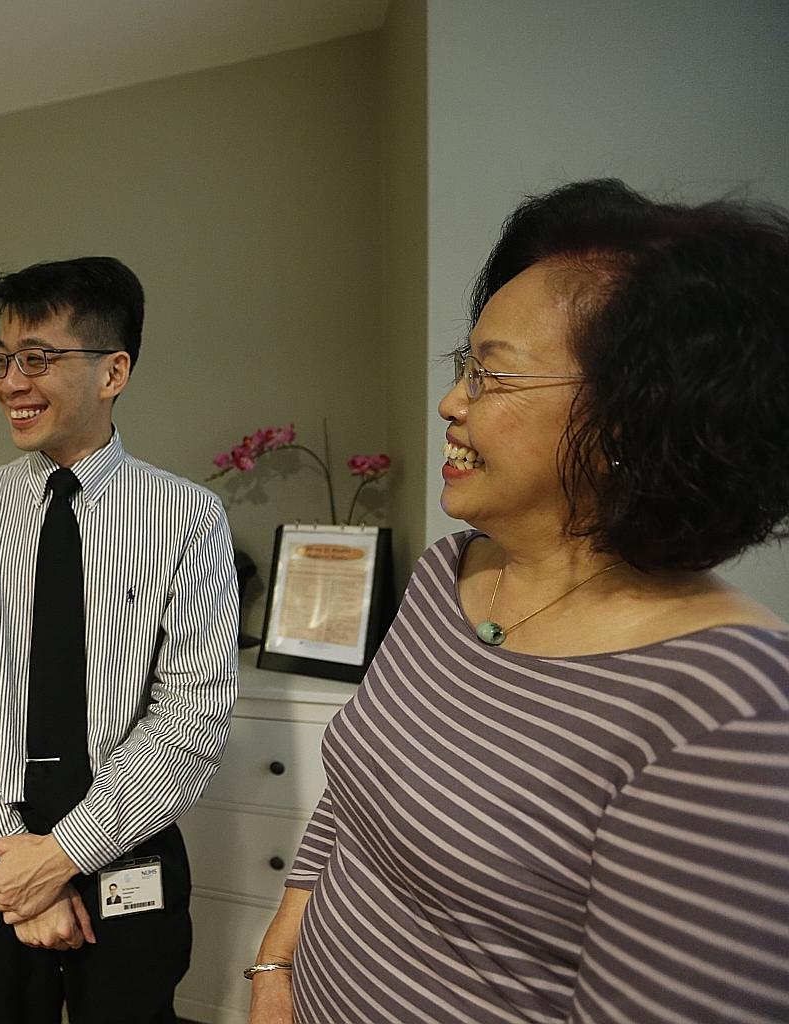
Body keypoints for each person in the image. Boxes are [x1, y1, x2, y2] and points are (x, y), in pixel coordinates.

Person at [248, 179, 789, 1023]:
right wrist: (275, 968)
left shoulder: (728, 709)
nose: (451, 402)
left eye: (490, 375)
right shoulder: (449, 575)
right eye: (463, 368)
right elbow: (350, 803)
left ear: (628, 417)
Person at [0, 255, 241, 1023]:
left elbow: (191, 719)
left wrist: (63, 856)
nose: (11, 382)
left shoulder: (187, 519)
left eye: (37, 358)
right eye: (2, 358)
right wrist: (18, 866)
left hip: (129, 842)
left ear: (113, 372)